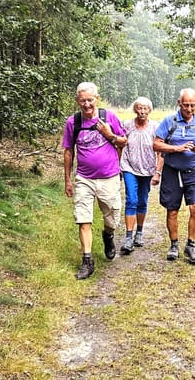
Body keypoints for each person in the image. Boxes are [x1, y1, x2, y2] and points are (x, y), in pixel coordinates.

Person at [63, 82, 127, 280]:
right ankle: (87, 260)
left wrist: (110, 135)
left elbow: (124, 141)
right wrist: (67, 180)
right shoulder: (73, 122)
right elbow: (68, 151)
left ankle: (108, 236)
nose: (87, 104)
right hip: (84, 179)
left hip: (109, 177)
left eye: (90, 100)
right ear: (77, 101)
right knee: (83, 219)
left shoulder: (109, 117)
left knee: (112, 218)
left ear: (96, 99)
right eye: (83, 101)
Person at [153, 88, 195, 265]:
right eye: (186, 105)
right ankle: (174, 244)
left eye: (192, 105)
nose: (189, 109)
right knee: (172, 210)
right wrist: (176, 149)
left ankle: (191, 245)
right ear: (179, 103)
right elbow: (156, 144)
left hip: (193, 171)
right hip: (172, 171)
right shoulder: (169, 122)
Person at [119, 97, 163, 255]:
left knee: (142, 200)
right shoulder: (127, 125)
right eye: (139, 108)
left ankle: (139, 232)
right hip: (129, 167)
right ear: (135, 110)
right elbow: (120, 143)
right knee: (131, 199)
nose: (142, 111)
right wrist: (118, 165)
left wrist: (157, 172)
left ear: (150, 110)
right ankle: (128, 237)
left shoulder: (155, 127)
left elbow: (160, 151)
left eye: (145, 109)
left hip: (147, 169)